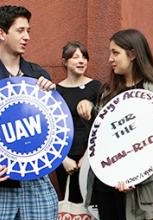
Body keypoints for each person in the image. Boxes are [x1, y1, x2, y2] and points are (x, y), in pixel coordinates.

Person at [77, 29, 153, 220]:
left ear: (133, 55)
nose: (109, 59)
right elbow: (101, 139)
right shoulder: (107, 92)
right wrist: (89, 113)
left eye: (115, 53)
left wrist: (136, 179)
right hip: (106, 191)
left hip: (139, 199)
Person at [0, 5, 58, 220]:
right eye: (20, 31)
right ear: (1, 34)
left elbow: (57, 129)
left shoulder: (38, 75)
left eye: (28, 30)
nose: (27, 36)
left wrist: (52, 99)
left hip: (36, 181)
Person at [55, 41, 101, 203]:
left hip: (92, 156)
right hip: (64, 158)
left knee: (92, 205)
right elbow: (52, 130)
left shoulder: (96, 87)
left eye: (84, 57)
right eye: (75, 57)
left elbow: (102, 127)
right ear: (64, 62)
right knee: (69, 204)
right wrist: (63, 159)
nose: (81, 61)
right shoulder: (55, 91)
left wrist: (87, 157)